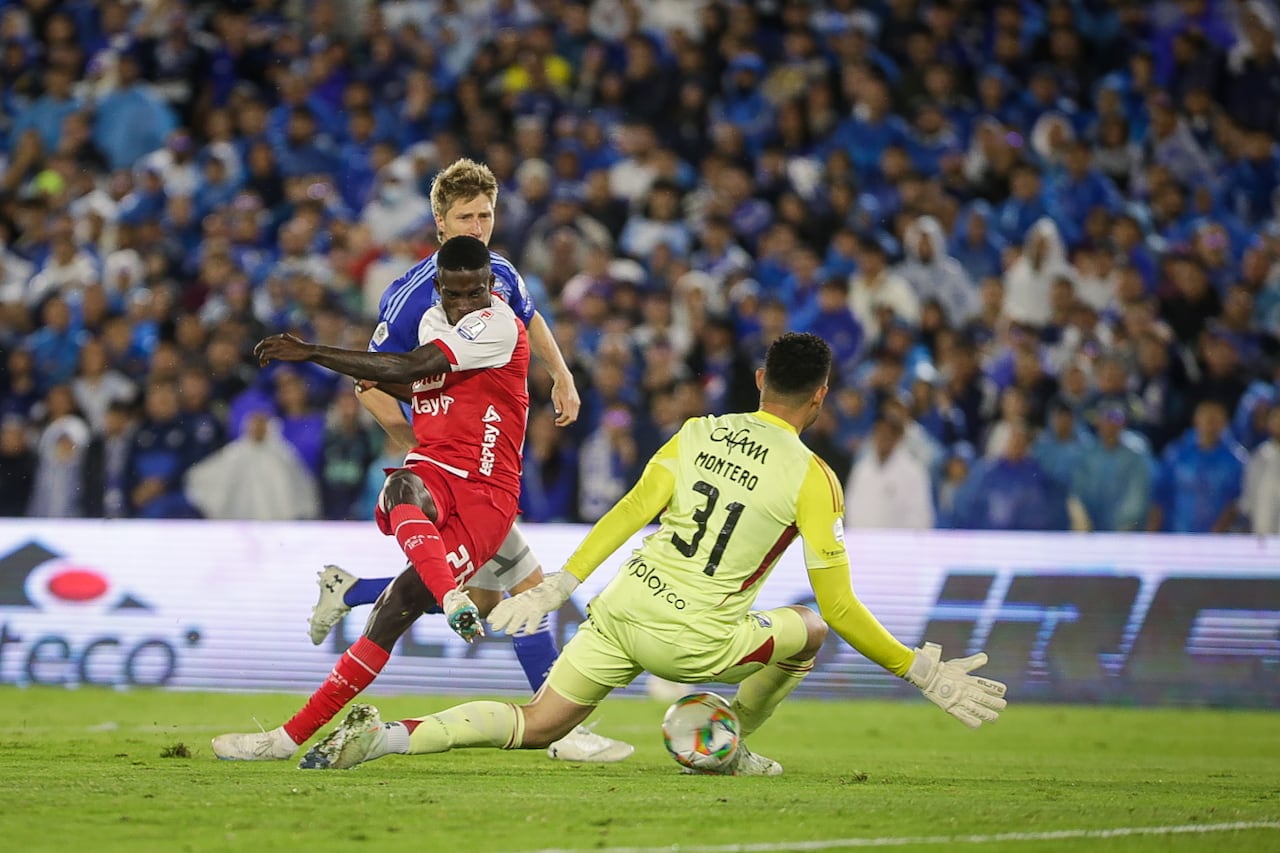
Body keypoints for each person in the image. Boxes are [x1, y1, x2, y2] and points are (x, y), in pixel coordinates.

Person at [297, 333, 1007, 775]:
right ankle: (730, 743)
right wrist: (914, 667)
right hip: (696, 642)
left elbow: (630, 512)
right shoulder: (814, 477)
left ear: (760, 378)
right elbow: (839, 605)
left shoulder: (697, 431)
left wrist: (555, 587)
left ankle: (390, 735)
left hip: (621, 606)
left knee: (538, 722)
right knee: (810, 631)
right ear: (820, 397)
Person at [308, 158, 631, 761]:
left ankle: (350, 591)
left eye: (485, 215)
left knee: (487, 594)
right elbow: (370, 380)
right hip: (455, 469)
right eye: (466, 216)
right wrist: (412, 442)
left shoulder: (500, 271)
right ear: (438, 222)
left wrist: (561, 375)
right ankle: (563, 731)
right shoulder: (408, 297)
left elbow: (530, 321)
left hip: (488, 461)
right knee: (522, 585)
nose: (478, 226)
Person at [211, 236, 535, 761]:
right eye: (454, 294)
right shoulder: (434, 322)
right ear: (439, 289)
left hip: (485, 493)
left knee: (393, 611)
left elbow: (410, 368)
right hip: (436, 465)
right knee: (396, 486)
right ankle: (282, 741)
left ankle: (437, 599)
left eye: (475, 291)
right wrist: (368, 371)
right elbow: (423, 384)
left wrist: (315, 352)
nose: (465, 303)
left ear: (490, 287)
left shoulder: (498, 324)